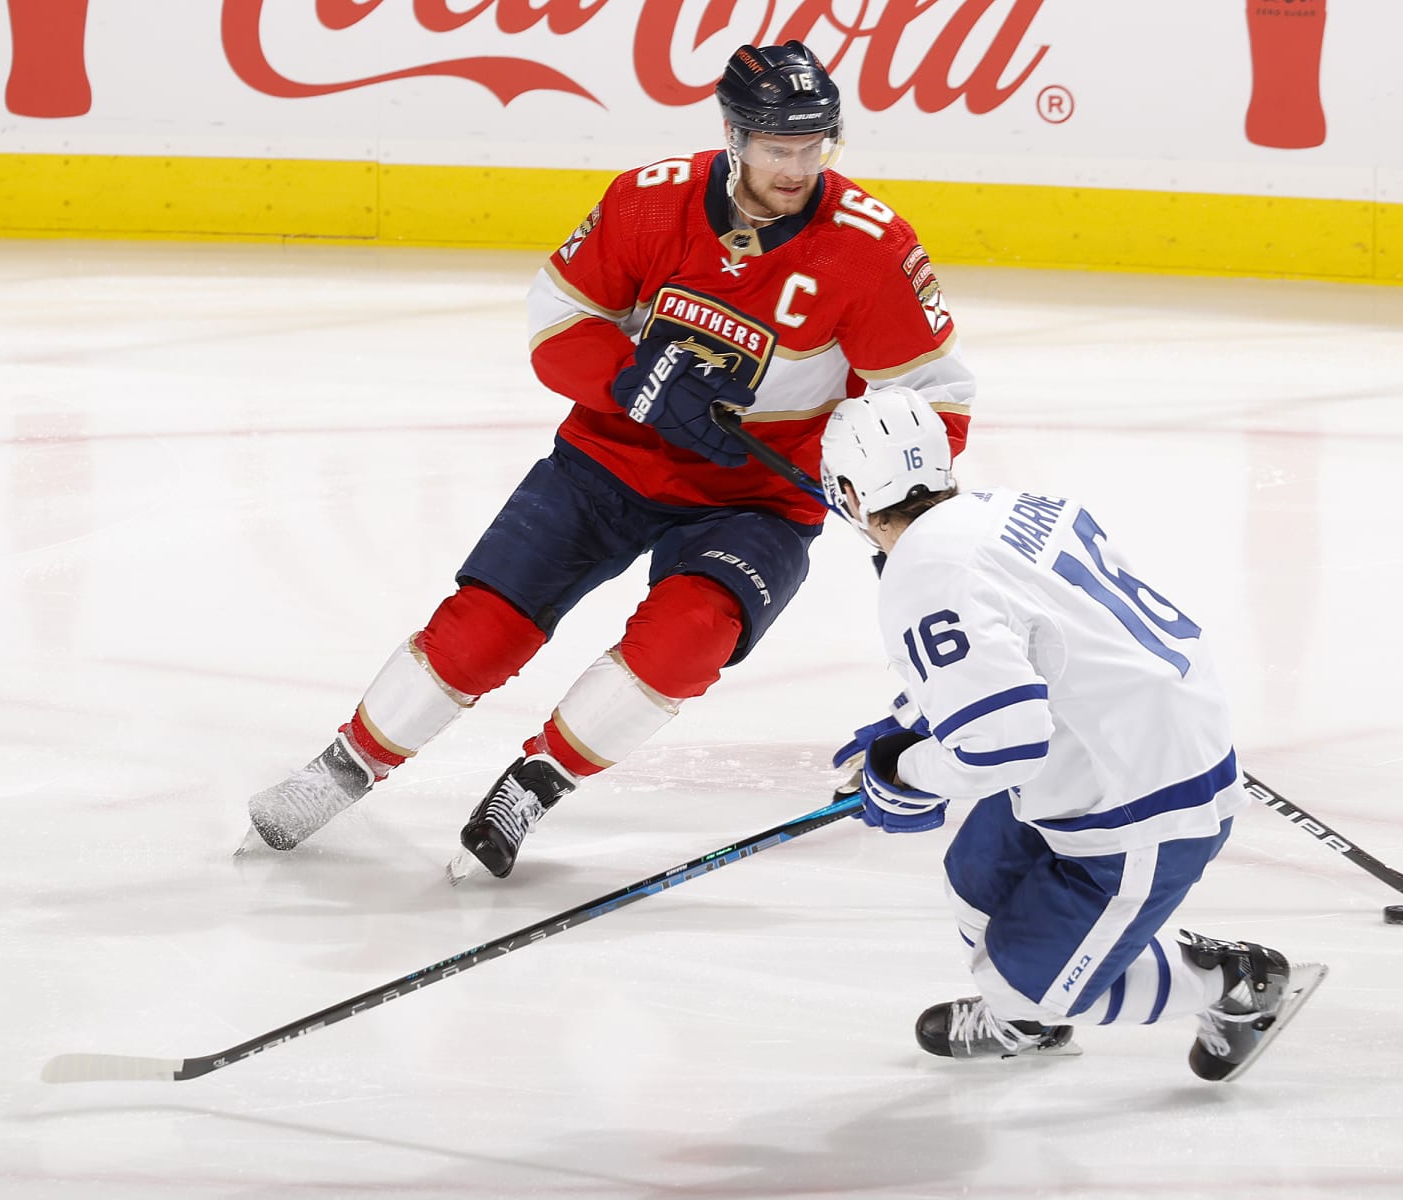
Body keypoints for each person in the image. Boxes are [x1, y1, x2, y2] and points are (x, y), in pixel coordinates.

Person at [244, 41, 974, 879]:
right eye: (780, 147)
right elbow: (556, 327)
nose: (799, 166)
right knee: (484, 629)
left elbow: (934, 402)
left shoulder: (869, 248)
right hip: (610, 458)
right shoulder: (648, 202)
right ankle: (343, 768)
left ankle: (536, 782)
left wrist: (891, 503)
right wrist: (637, 383)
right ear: (734, 136)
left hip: (756, 498)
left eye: (816, 147)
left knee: (690, 638)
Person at [819, 388, 1325, 1081]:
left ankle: (1239, 983)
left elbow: (1001, 744)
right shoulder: (1010, 508)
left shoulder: (923, 569)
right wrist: (913, 721)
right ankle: (1031, 1021)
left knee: (1022, 983)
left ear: (848, 489)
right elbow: (1026, 641)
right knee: (975, 887)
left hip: (1139, 801)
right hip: (1108, 745)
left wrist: (906, 777)